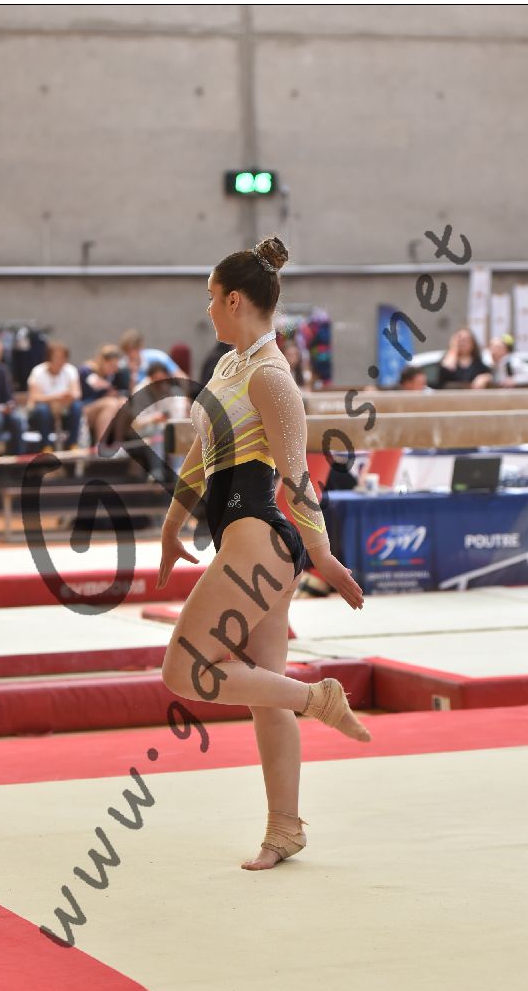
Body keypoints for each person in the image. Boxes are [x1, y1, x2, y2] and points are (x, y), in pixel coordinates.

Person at [157, 235, 370, 874]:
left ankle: (320, 698)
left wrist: (323, 555)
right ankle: (285, 830)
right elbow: (200, 456)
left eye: (211, 299)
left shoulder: (270, 376)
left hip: (259, 533)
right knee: (263, 693)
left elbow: (297, 474)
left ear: (234, 300)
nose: (207, 311)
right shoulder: (229, 368)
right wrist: (172, 525)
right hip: (243, 535)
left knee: (184, 671)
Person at [26, 340, 83, 448]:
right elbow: (34, 397)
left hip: (64, 410)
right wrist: (55, 397)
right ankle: (46, 445)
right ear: (49, 358)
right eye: (57, 358)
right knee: (42, 409)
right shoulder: (38, 371)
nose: (60, 361)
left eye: (63, 358)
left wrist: (68, 396)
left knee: (77, 406)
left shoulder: (70, 370)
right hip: (44, 412)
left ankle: (72, 443)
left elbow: (77, 394)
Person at [77, 344, 129, 444]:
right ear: (102, 361)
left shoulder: (112, 376)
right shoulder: (86, 371)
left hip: (102, 409)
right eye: (111, 365)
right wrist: (105, 395)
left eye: (116, 366)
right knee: (110, 404)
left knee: (122, 402)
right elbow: (88, 393)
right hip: (83, 411)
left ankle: (117, 442)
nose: (114, 369)